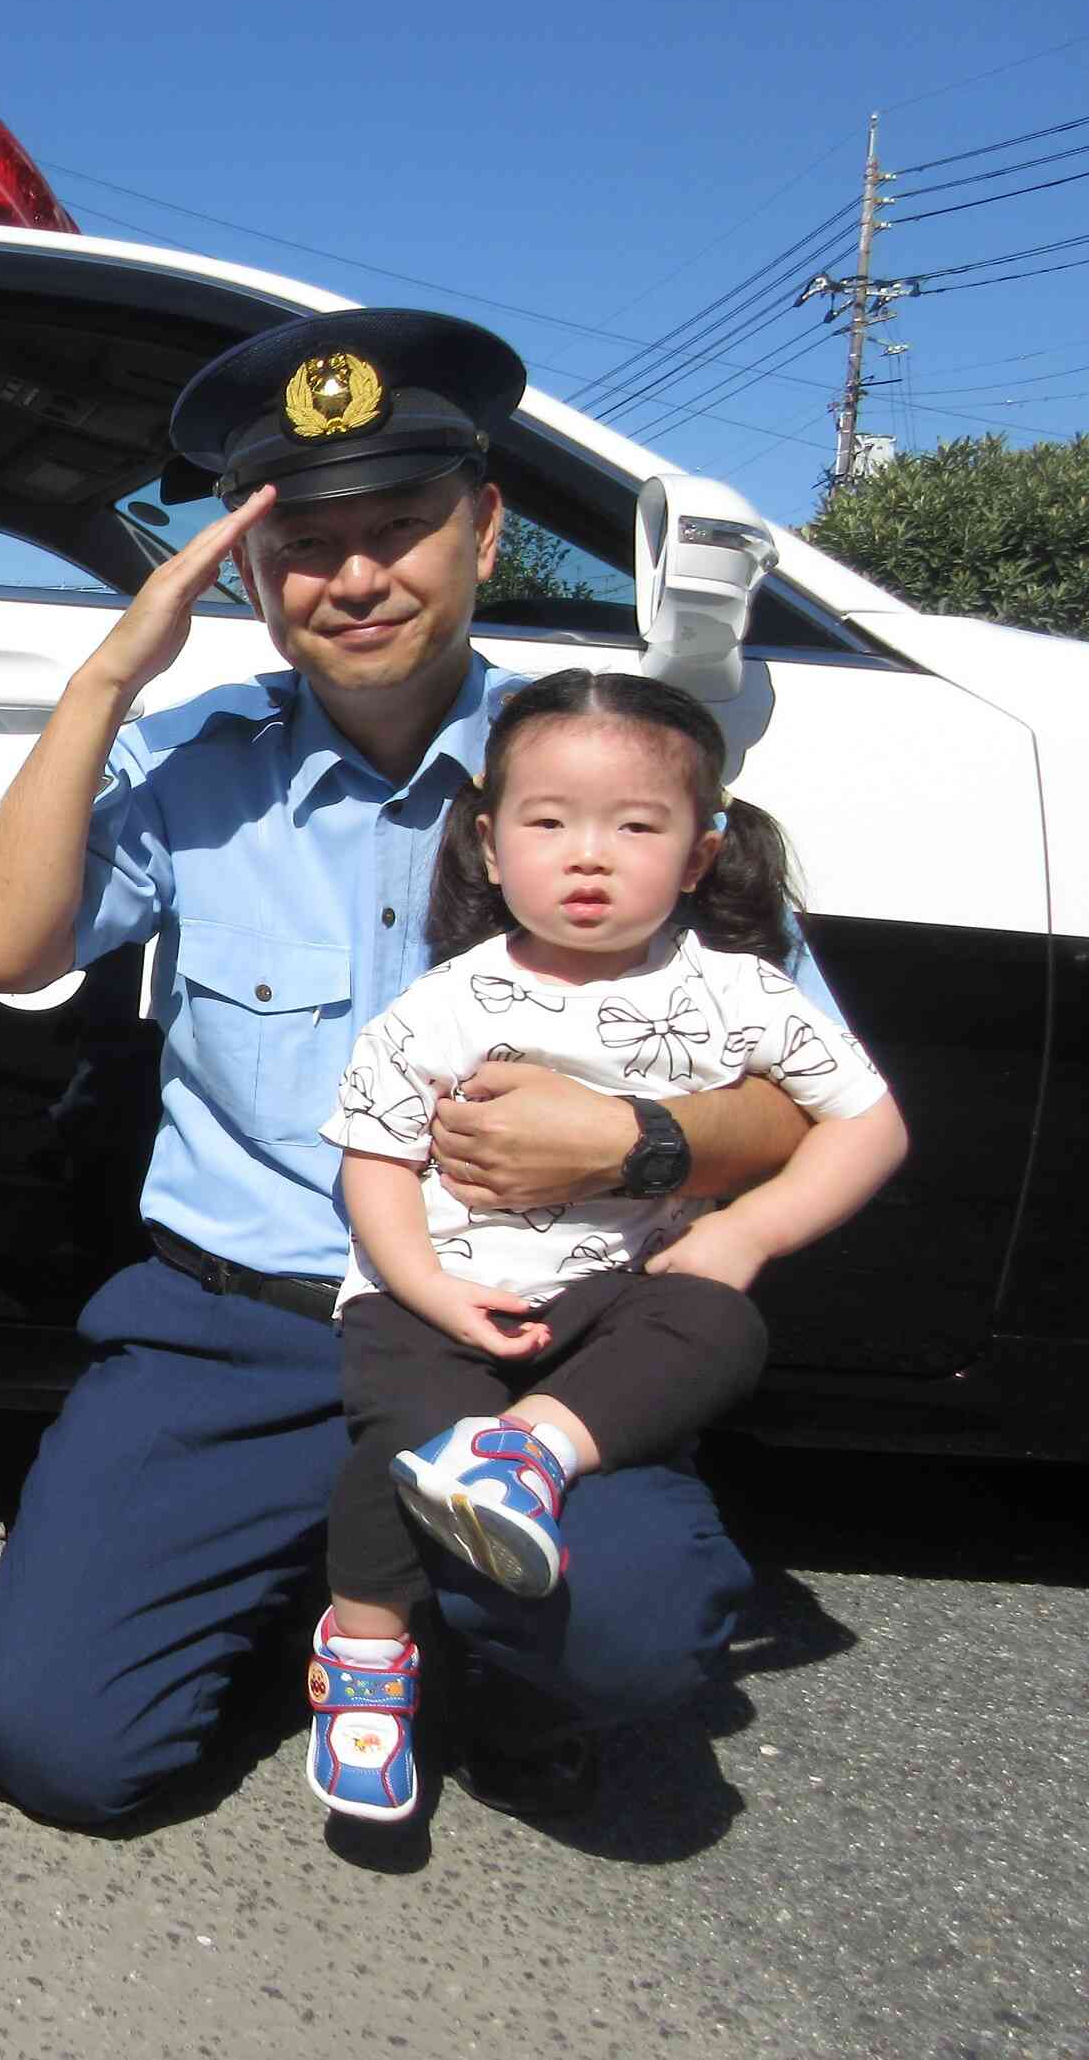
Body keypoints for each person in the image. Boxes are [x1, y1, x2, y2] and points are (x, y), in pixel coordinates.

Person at [0, 307, 841, 1828]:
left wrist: (632, 1140)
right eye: (304, 540)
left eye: (401, 526)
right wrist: (107, 676)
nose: (354, 576)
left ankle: (460, 1636)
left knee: (634, 1633)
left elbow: (803, 1102)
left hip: (518, 1339)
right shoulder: (189, 761)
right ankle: (332, 1571)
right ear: (246, 568)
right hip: (237, 1328)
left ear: (488, 530)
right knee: (62, 1751)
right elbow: (3, 950)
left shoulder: (608, 763)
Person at [306, 668, 905, 1820]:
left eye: (636, 826)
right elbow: (374, 1161)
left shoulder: (742, 994)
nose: (590, 856)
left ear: (697, 856)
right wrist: (426, 1289)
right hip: (445, 1289)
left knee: (719, 1321)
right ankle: (368, 1652)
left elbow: (869, 1124)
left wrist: (749, 1233)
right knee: (395, 1442)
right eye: (550, 823)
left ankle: (530, 1452)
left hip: (619, 1303)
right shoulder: (445, 1003)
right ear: (486, 846)